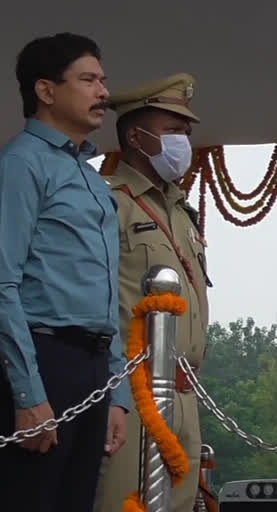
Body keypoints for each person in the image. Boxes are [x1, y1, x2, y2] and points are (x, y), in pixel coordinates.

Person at [0, 33, 130, 511]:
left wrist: (117, 394)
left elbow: (106, 294)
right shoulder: (20, 165)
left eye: (103, 80)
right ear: (46, 90)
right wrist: (29, 393)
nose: (103, 92)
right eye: (88, 79)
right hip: (41, 358)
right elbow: (2, 282)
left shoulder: (91, 177)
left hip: (92, 367)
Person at [94, 73, 211, 512]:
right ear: (135, 136)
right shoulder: (110, 201)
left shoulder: (182, 209)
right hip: (131, 392)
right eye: (172, 131)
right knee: (121, 503)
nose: (183, 142)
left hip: (185, 390)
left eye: (186, 132)